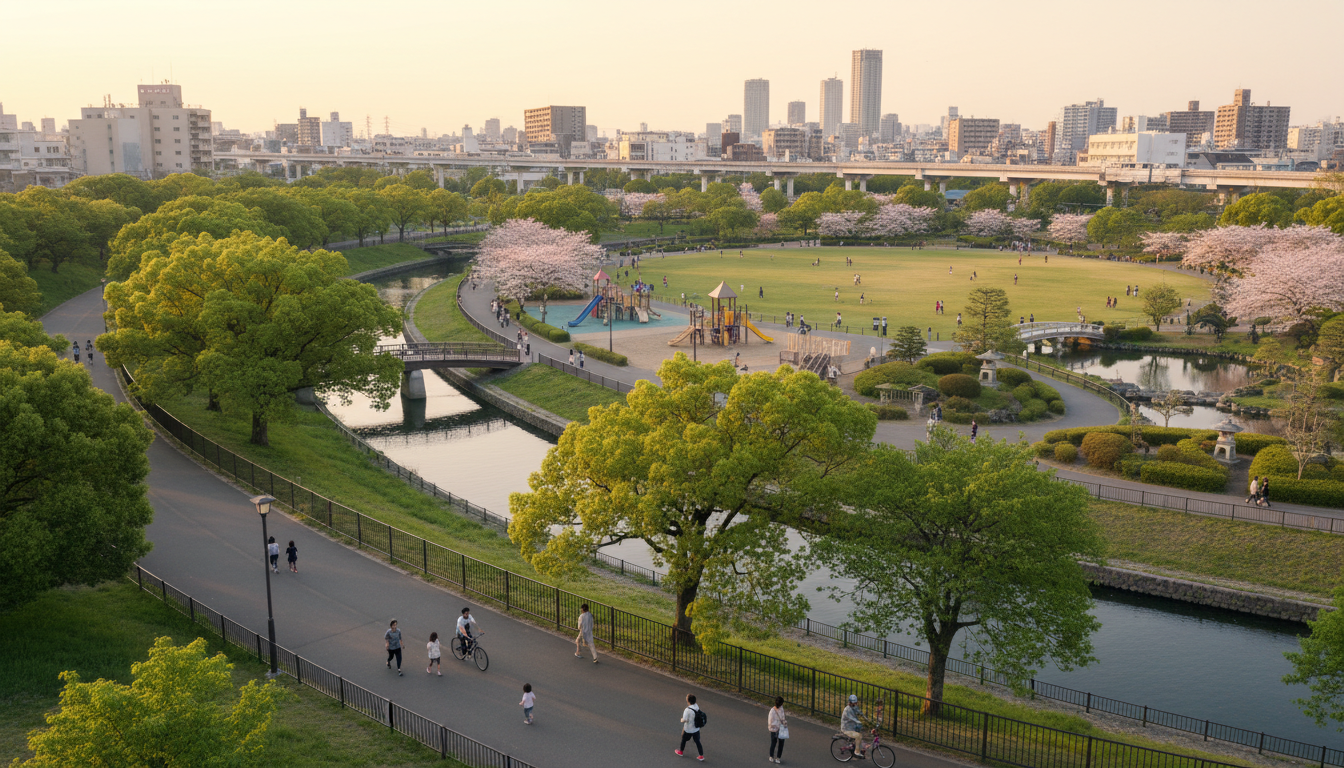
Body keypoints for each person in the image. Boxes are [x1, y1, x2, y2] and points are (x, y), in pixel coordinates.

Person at [676, 693, 704, 760]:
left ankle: (681, 751)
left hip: (688, 729)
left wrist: (681, 720)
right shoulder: (696, 707)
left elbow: (685, 719)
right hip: (696, 728)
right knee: (697, 741)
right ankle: (701, 755)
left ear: (688, 701)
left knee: (684, 739)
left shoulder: (687, 710)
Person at [841, 694, 868, 759]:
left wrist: (866, 718)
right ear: (850, 702)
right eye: (853, 703)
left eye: (855, 703)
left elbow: (859, 712)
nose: (855, 704)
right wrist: (860, 722)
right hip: (847, 728)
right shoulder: (847, 710)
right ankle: (856, 752)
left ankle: (856, 745)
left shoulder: (854, 707)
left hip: (852, 727)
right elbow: (852, 718)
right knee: (859, 736)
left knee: (861, 734)